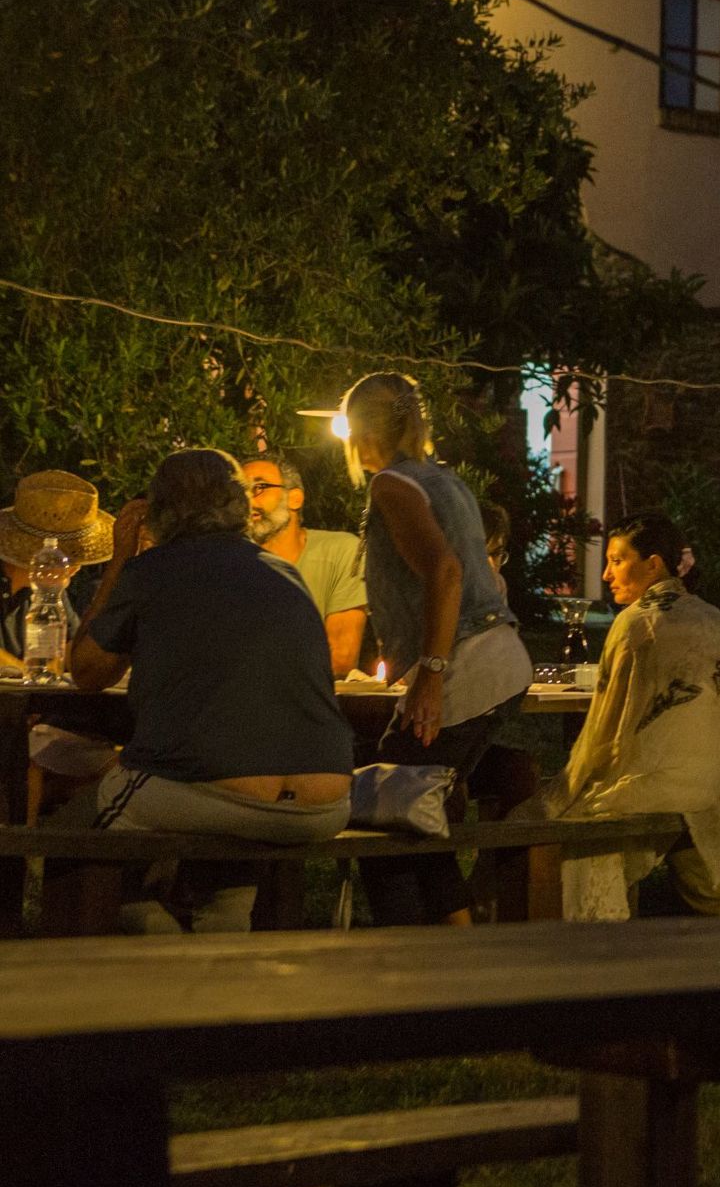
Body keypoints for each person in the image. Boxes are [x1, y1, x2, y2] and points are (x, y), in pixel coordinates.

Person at [65, 451, 353, 932]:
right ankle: (222, 939)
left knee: (71, 831)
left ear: (158, 511)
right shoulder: (286, 574)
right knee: (224, 816)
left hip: (222, 792)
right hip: (326, 800)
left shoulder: (151, 571)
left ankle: (119, 960)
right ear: (240, 507)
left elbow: (87, 672)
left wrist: (121, 559)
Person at [341, 371, 533, 926]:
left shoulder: (392, 485)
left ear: (358, 430)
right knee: (415, 814)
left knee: (386, 817)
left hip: (466, 668)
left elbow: (445, 573)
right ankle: (455, 955)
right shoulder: (443, 480)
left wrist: (429, 674)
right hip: (503, 657)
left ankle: (416, 974)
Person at [518, 513, 720, 919]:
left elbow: (603, 730)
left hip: (652, 787)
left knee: (538, 821)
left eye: (618, 561)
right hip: (710, 784)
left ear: (653, 564)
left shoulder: (636, 622)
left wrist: (567, 789)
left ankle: (563, 941)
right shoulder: (714, 618)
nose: (606, 574)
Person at [243, 456, 369, 678]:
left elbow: (341, 658)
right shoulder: (230, 563)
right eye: (240, 492)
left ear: (295, 498)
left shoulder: (340, 551)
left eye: (259, 488)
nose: (248, 501)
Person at [0, 470, 110, 670]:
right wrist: (27, 671)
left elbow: (71, 647)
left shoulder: (48, 588)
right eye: (69, 558)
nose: (75, 568)